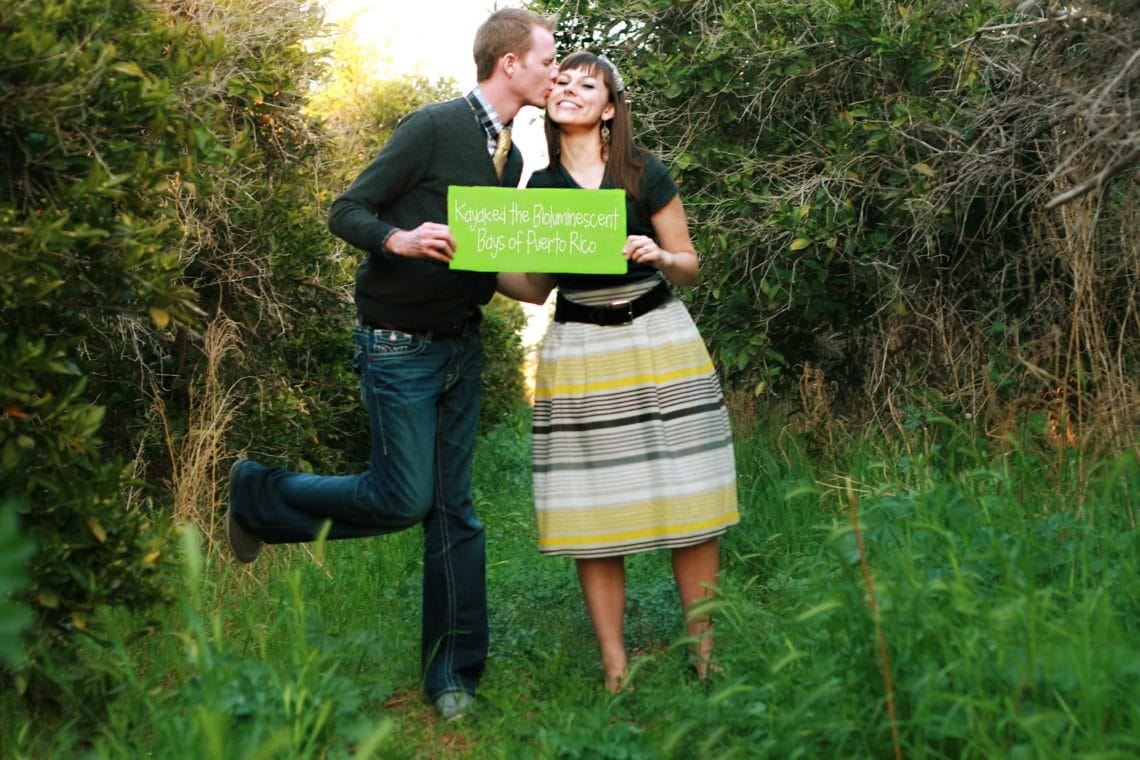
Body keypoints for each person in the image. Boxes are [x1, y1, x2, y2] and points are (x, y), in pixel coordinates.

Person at [224, 8, 558, 721]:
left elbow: (494, 263)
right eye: (547, 60)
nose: (555, 72)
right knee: (404, 500)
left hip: (460, 351)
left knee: (454, 516)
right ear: (509, 64)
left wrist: (568, 270)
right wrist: (398, 240)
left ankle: (453, 678)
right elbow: (346, 210)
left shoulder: (519, 159)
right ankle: (259, 491)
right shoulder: (432, 126)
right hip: (398, 345)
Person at [498, 51, 739, 694]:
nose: (569, 90)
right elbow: (532, 287)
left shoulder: (641, 171)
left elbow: (689, 263)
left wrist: (659, 253)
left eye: (587, 84)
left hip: (660, 340)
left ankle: (706, 656)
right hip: (581, 349)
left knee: (690, 497)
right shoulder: (539, 188)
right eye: (562, 82)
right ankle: (615, 669)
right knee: (595, 508)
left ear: (609, 108)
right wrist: (482, 258)